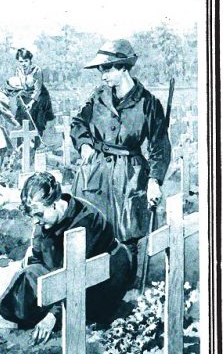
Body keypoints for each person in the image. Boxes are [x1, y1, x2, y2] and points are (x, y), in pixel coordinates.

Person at [0, 172, 135, 343]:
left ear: (55, 204)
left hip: (102, 279)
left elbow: (77, 278)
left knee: (79, 306)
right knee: (28, 274)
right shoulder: (45, 223)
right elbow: (38, 260)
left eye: (39, 214)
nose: (36, 222)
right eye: (33, 216)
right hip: (65, 274)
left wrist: (52, 317)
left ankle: (60, 321)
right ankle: (26, 324)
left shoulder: (86, 221)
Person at [70, 38, 171, 272]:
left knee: (128, 231)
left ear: (123, 67)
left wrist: (154, 181)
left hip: (130, 173)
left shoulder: (148, 103)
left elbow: (159, 146)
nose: (102, 75)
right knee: (90, 228)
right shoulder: (98, 96)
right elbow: (78, 123)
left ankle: (125, 284)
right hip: (95, 172)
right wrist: (85, 144)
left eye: (107, 69)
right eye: (100, 70)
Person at [10, 47, 54, 144]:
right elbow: (18, 85)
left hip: (39, 98)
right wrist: (19, 93)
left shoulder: (37, 70)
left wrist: (31, 102)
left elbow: (37, 89)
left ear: (30, 60)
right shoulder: (18, 70)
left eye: (26, 61)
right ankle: (21, 146)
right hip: (25, 96)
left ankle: (38, 145)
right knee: (21, 118)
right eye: (21, 61)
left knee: (38, 120)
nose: (23, 64)